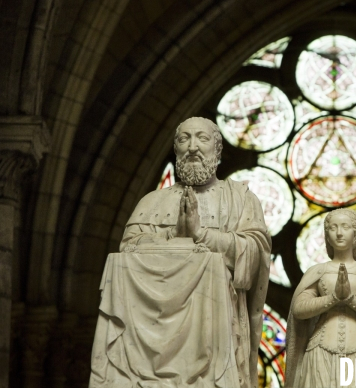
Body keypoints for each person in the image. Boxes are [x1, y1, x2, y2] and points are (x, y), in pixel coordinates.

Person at [90, 117, 271, 388]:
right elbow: (128, 249)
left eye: (202, 138)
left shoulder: (241, 200)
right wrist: (173, 236)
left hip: (216, 331)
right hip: (148, 336)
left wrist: (202, 235)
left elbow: (255, 255)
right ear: (176, 150)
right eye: (184, 139)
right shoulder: (152, 202)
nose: (193, 147)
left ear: (218, 150)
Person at [285, 209, 356, 388]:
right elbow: (298, 308)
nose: (339, 233)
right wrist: (334, 297)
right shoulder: (317, 272)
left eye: (345, 227)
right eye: (333, 228)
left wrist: (351, 299)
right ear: (326, 235)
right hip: (320, 351)